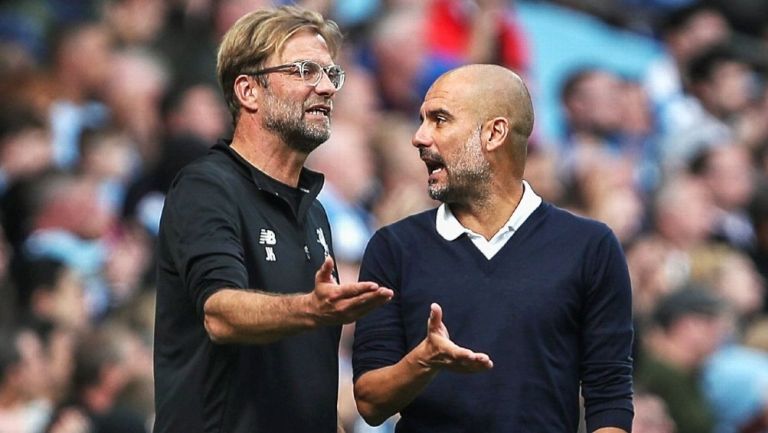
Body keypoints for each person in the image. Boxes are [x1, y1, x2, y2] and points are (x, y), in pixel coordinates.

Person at [352, 64, 634, 433]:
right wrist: (424, 360)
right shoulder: (393, 247)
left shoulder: (590, 246)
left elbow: (609, 394)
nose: (419, 137)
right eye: (422, 120)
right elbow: (370, 402)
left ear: (494, 133)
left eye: (439, 120)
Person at [152, 6, 393, 433]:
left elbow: (303, 380)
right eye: (304, 71)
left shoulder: (315, 212)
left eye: (331, 74)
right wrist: (312, 308)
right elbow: (220, 314)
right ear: (248, 91)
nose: (326, 87)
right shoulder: (207, 187)